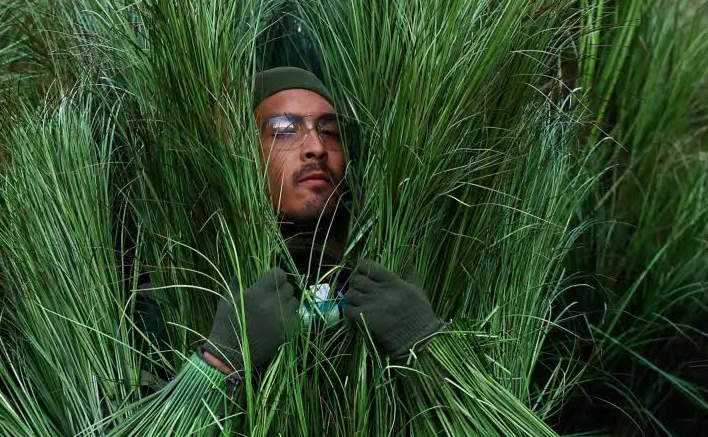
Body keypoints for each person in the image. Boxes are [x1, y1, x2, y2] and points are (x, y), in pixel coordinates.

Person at [132, 67, 557, 435]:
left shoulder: (411, 276)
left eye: (330, 131)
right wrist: (219, 360)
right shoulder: (177, 294)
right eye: (284, 130)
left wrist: (425, 342)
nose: (315, 146)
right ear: (239, 157)